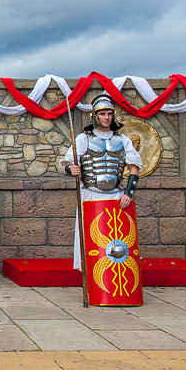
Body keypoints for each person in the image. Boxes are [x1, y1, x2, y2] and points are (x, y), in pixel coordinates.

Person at [59, 93, 141, 270]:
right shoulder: (83, 139)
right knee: (90, 238)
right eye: (103, 114)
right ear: (95, 116)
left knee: (117, 241)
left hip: (116, 195)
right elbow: (66, 162)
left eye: (109, 114)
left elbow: (134, 168)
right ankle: (91, 276)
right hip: (90, 193)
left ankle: (115, 279)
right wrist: (70, 169)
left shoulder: (123, 140)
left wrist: (129, 194)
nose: (107, 117)